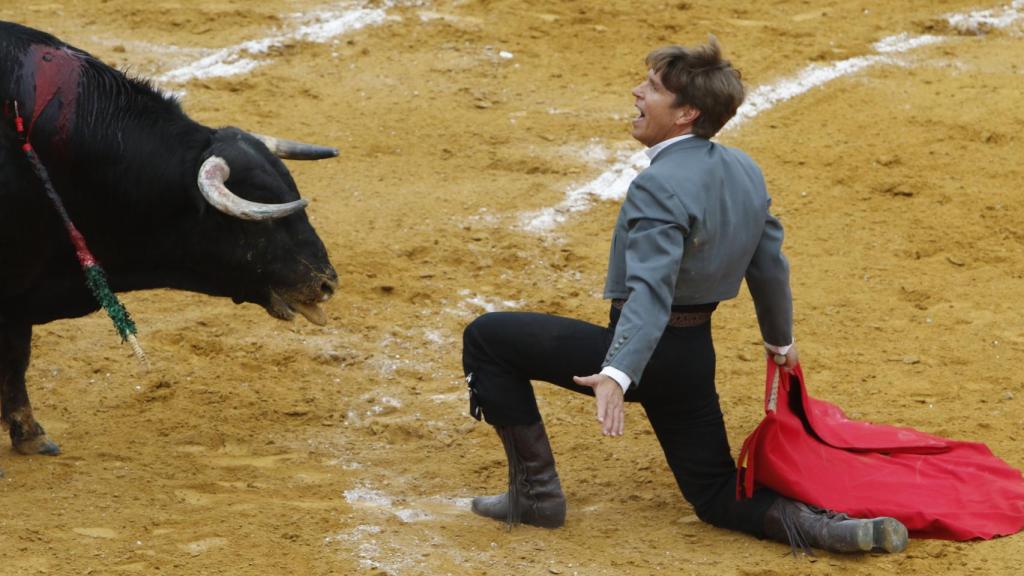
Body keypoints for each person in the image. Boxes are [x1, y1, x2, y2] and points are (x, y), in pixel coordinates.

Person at [461, 36, 910, 555]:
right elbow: (768, 266)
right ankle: (830, 529)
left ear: (686, 112)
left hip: (643, 350)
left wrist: (618, 372)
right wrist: (779, 342)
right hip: (691, 359)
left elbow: (650, 291)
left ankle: (535, 495)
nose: (636, 93)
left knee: (487, 338)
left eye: (651, 88)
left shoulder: (658, 186)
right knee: (715, 493)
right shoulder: (745, 169)